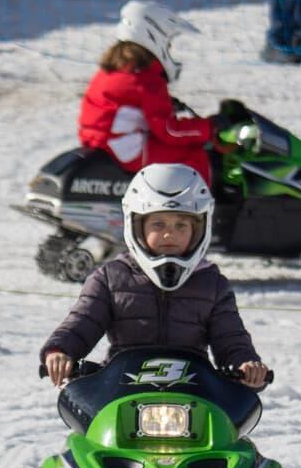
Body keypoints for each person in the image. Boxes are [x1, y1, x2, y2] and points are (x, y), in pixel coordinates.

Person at [42, 164, 270, 389]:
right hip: (120, 391)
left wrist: (246, 366)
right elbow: (82, 323)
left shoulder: (212, 284)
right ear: (137, 225)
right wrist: (60, 351)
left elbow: (231, 339)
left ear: (200, 229)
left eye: (181, 225)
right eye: (158, 224)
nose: (170, 233)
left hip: (194, 393)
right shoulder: (110, 278)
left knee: (226, 426)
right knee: (83, 426)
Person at [78, 1, 217, 185]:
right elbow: (169, 131)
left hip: (100, 141)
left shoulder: (115, 68)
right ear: (155, 35)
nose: (169, 49)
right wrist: (209, 129)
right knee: (194, 154)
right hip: (123, 148)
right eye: (168, 43)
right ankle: (196, 210)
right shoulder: (146, 78)